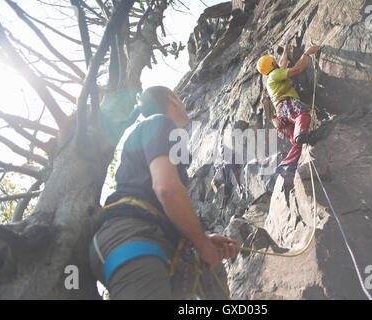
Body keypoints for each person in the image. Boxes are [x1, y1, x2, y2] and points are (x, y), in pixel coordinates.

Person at [89, 86, 240, 299]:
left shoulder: (152, 132)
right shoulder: (160, 122)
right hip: (134, 237)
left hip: (142, 239)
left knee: (213, 273)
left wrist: (202, 239)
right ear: (173, 99)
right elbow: (166, 189)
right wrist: (202, 244)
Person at [257, 44, 319, 176]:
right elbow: (297, 69)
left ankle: (287, 164)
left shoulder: (272, 76)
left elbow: (282, 64)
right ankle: (299, 133)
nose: (277, 62)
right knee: (303, 116)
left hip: (281, 117)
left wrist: (285, 51)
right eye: (274, 62)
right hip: (287, 105)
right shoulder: (274, 75)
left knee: (298, 143)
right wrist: (307, 53)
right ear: (272, 65)